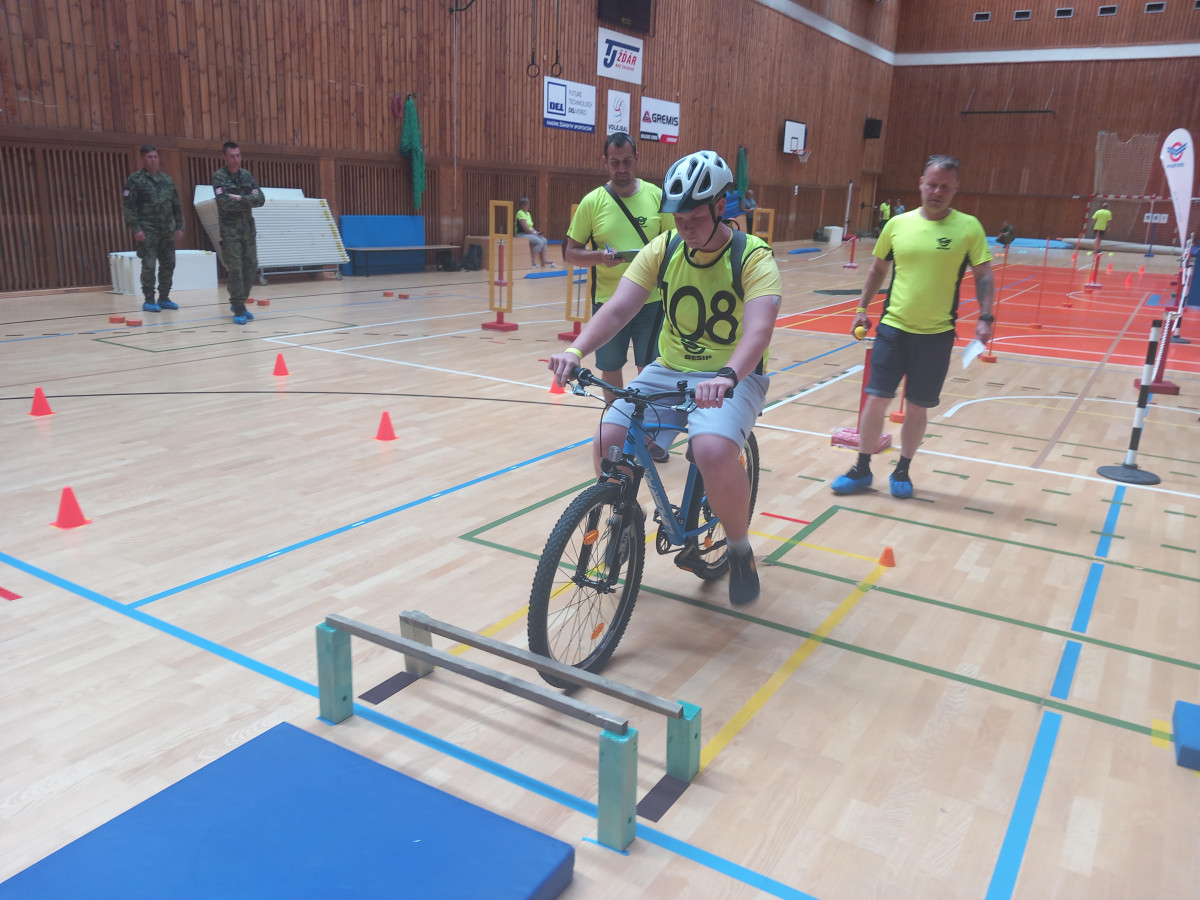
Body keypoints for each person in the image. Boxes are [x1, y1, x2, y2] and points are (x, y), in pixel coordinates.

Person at [549, 150, 783, 607]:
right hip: (669, 369)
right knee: (608, 435)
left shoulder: (752, 257)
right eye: (678, 218)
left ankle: (738, 550)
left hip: (732, 374)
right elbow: (618, 308)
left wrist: (727, 374)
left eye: (696, 216)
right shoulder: (667, 247)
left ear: (720, 207)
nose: (686, 227)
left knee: (713, 451)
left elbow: (759, 329)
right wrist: (575, 351)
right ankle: (624, 515)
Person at [833, 154, 994, 500]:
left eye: (945, 187)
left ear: (955, 190)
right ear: (921, 183)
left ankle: (902, 470)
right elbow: (877, 270)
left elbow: (983, 275)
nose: (937, 192)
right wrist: (861, 308)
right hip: (893, 329)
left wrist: (985, 317)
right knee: (876, 401)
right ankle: (861, 468)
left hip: (937, 336)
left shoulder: (968, 228)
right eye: (932, 184)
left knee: (918, 407)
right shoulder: (898, 225)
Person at [564, 132, 673, 460]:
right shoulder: (592, 202)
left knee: (649, 369)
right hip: (609, 302)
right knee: (610, 368)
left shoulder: (657, 197)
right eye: (614, 163)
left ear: (636, 160)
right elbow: (570, 253)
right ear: (605, 163)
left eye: (627, 162)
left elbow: (673, 244)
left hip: (652, 302)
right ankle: (617, 432)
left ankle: (649, 436)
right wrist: (599, 258)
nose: (621, 168)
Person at [122, 145, 184, 312]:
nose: (153, 160)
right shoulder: (134, 180)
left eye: (155, 157)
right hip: (147, 230)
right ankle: (149, 299)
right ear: (143, 159)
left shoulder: (167, 180)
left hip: (167, 230)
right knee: (149, 265)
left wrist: (179, 225)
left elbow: (176, 204)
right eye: (149, 157)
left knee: (168, 264)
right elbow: (129, 207)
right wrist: (136, 228)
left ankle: (164, 297)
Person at [213, 142, 266, 324]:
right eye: (232, 156)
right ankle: (239, 307)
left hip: (248, 231)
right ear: (224, 157)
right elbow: (224, 203)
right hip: (230, 232)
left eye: (238, 155)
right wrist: (247, 202)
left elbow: (261, 199)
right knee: (235, 269)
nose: (236, 159)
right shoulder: (219, 177)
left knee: (251, 266)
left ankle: (238, 301)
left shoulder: (247, 176)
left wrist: (241, 198)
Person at [516, 198, 555, 268]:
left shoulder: (528, 214)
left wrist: (536, 233)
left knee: (544, 240)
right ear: (521, 206)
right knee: (539, 242)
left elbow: (530, 227)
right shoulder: (520, 213)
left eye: (527, 205)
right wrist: (533, 234)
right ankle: (532, 262)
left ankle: (544, 260)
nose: (526, 206)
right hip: (521, 234)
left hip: (528, 233)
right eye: (524, 205)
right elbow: (525, 227)